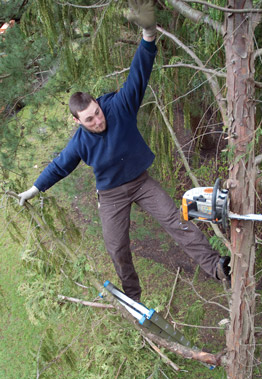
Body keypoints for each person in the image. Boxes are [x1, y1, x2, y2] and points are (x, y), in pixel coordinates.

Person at [18, 0, 230, 301]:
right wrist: (34, 189)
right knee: (117, 247)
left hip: (141, 183)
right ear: (77, 120)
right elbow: (59, 166)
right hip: (111, 195)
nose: (97, 120)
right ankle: (133, 298)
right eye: (89, 119)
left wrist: (147, 35)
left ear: (98, 104)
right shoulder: (80, 141)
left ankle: (217, 267)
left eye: (97, 112)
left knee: (176, 222)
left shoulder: (119, 106)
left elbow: (138, 74)